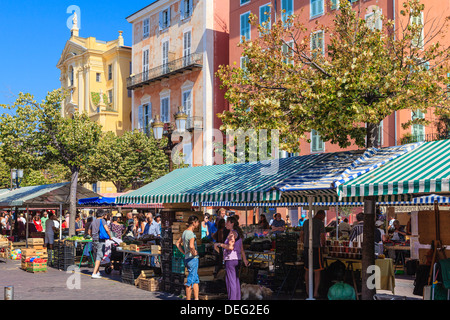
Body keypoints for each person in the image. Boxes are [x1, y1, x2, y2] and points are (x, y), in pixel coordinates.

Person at [214, 216, 250, 300]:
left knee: (231, 282)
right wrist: (245, 260)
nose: (226, 224)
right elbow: (242, 249)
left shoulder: (232, 234)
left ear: (232, 223)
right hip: (237, 259)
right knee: (236, 281)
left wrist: (219, 244)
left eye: (227, 222)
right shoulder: (238, 234)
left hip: (230, 260)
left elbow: (230, 247)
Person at [300, 210, 326, 299]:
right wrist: (324, 246)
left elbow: (301, 235)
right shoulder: (320, 223)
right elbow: (323, 237)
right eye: (324, 217)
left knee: (307, 269)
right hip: (316, 248)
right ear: (321, 215)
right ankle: (315, 292)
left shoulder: (306, 222)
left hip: (306, 248)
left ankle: (308, 291)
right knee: (317, 271)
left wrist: (305, 243)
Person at [176, 215, 200, 300]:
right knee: (190, 281)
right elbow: (191, 246)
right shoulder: (192, 234)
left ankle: (196, 298)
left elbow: (177, 244)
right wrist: (193, 252)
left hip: (187, 258)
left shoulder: (184, 232)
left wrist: (184, 252)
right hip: (192, 259)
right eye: (197, 222)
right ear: (194, 223)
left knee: (195, 279)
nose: (198, 224)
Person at [88, 209, 112, 279]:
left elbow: (89, 231)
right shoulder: (102, 220)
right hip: (100, 240)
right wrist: (110, 236)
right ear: (102, 215)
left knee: (96, 255)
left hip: (94, 240)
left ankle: (97, 272)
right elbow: (107, 229)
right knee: (99, 256)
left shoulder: (93, 221)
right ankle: (94, 273)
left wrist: (93, 236)